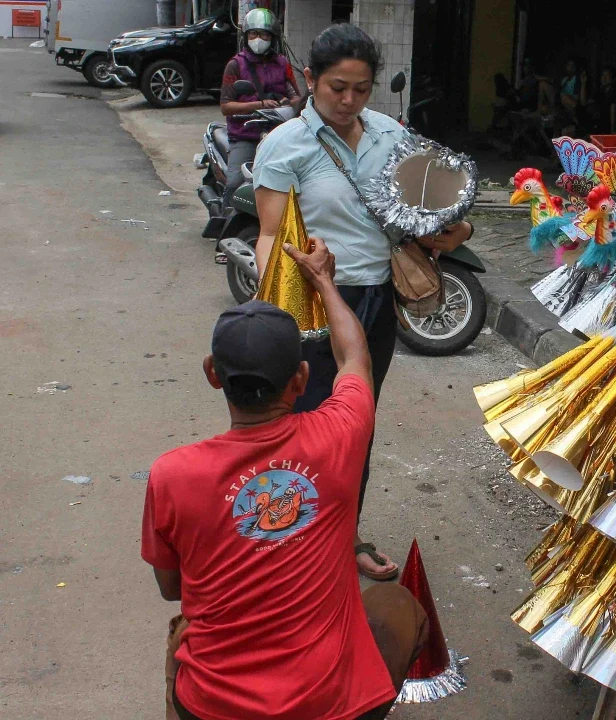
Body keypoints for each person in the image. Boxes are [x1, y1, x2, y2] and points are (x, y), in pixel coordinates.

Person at [143, 236, 431, 720]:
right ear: (299, 380)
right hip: (331, 705)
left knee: (181, 634)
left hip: (213, 707)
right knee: (398, 607)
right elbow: (354, 356)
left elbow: (173, 588)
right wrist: (323, 281)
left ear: (213, 374)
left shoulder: (171, 474)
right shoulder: (339, 435)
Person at [251, 24, 473, 580]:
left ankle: (344, 537)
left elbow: (422, 207)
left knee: (358, 425)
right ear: (310, 80)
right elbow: (270, 236)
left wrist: (454, 228)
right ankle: (294, 547)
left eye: (361, 89)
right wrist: (278, 308)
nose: (349, 101)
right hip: (312, 301)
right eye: (336, 88)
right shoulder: (286, 144)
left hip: (376, 297)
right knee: (305, 427)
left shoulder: (390, 135)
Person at [218, 8, 302, 212]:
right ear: (246, 36)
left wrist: (286, 102)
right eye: (253, 34)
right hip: (245, 134)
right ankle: (226, 221)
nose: (258, 39)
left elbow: (296, 98)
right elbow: (226, 106)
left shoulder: (282, 64)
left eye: (264, 34)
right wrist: (259, 105)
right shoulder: (235, 65)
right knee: (234, 183)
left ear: (272, 38)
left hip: (276, 134)